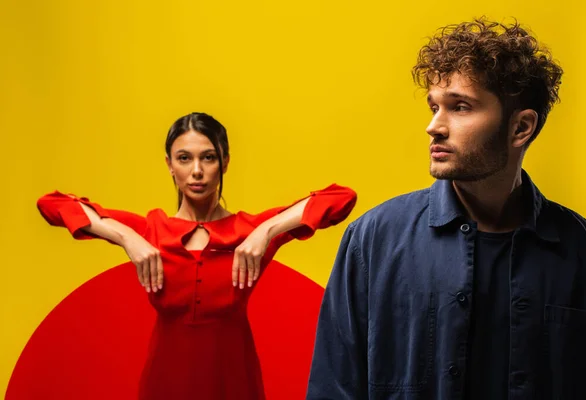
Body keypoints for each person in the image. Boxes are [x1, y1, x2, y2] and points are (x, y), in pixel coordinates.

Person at [306, 18, 586, 399]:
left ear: (520, 128)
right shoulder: (373, 240)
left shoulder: (585, 251)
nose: (434, 126)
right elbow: (333, 387)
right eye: (434, 106)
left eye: (460, 107)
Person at [37, 112, 357, 400]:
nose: (197, 171)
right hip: (164, 383)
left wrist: (267, 230)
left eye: (208, 158)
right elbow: (53, 205)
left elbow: (341, 198)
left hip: (234, 382)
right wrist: (126, 238)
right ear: (169, 165)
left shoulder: (247, 231)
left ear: (225, 162)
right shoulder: (151, 230)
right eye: (184, 158)